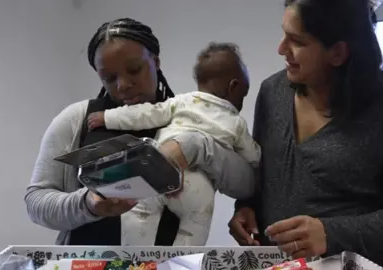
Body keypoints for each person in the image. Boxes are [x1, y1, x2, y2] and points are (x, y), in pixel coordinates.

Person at [228, 1, 383, 270]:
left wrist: (332, 233)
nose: (280, 49)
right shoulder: (272, 92)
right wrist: (246, 207)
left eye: (297, 41)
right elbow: (261, 174)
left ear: (338, 52)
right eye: (284, 35)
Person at [24, 18, 255, 246]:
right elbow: (36, 203)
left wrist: (196, 146)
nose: (123, 84)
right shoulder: (77, 119)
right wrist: (87, 203)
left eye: (134, 70)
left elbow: (246, 185)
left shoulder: (190, 118)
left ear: (155, 61)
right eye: (109, 78)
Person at [86, 42, 260, 246]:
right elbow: (254, 157)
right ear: (234, 87)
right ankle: (183, 263)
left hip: (158, 177)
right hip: (197, 187)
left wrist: (107, 117)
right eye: (244, 94)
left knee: (140, 212)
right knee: (196, 221)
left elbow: (144, 114)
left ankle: (134, 260)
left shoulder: (181, 102)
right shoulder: (236, 123)